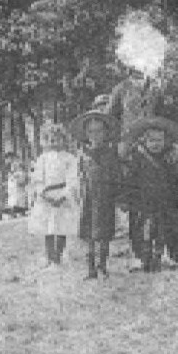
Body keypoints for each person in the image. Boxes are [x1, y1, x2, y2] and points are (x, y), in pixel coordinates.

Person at [123, 117, 178, 272]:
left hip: (164, 199)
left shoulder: (168, 157)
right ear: (144, 140)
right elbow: (130, 178)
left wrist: (174, 193)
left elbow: (174, 179)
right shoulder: (137, 156)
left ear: (166, 141)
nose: (156, 144)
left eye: (159, 140)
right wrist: (128, 197)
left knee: (166, 227)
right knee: (140, 229)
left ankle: (167, 254)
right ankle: (140, 257)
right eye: (151, 140)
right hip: (142, 201)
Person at [71, 109, 123, 280]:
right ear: (86, 134)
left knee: (104, 234)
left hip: (106, 197)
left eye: (99, 131)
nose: (95, 135)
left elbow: (117, 175)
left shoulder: (111, 153)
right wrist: (77, 192)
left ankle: (102, 266)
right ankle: (90, 268)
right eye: (91, 131)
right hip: (88, 197)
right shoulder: (83, 154)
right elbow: (78, 175)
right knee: (90, 235)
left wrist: (118, 194)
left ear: (106, 132)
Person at [30, 123, 81, 269]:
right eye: (51, 139)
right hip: (47, 196)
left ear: (64, 140)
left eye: (58, 139)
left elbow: (73, 179)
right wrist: (43, 194)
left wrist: (64, 195)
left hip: (62, 195)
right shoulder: (43, 159)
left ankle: (58, 256)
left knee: (61, 227)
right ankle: (49, 256)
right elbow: (38, 178)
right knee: (48, 228)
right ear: (46, 141)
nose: (54, 142)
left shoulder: (69, 158)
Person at [4, 152, 30, 217]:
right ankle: (15, 213)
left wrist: (16, 176)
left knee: (19, 202)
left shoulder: (17, 164)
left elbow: (22, 175)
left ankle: (21, 212)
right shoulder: (11, 167)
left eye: (7, 158)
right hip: (13, 188)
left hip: (18, 187)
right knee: (14, 201)